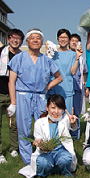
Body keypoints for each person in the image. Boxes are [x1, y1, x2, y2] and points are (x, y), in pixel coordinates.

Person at [7, 28, 63, 165]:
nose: (35, 40)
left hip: (40, 97)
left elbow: (59, 77)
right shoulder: (18, 58)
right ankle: (28, 161)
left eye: (38, 38)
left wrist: (47, 87)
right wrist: (13, 103)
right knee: (23, 128)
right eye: (32, 38)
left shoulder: (46, 60)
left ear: (42, 42)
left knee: (44, 126)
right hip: (23, 96)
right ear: (27, 41)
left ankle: (45, 155)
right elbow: (11, 82)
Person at [19, 94, 78, 177]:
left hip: (60, 151)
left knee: (65, 159)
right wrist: (40, 143)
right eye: (53, 108)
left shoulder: (64, 119)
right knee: (43, 162)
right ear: (47, 107)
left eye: (59, 108)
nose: (56, 112)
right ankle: (43, 174)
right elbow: (38, 138)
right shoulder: (39, 122)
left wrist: (73, 122)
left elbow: (72, 126)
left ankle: (65, 172)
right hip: (46, 152)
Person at [0, 29, 24, 163]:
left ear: (21, 42)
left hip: (14, 94)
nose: (15, 40)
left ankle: (14, 148)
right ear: (8, 39)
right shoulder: (1, 53)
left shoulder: (22, 56)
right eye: (13, 38)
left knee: (14, 124)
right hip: (0, 91)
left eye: (18, 38)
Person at [47, 29, 81, 114]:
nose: (63, 39)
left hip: (67, 89)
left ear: (69, 40)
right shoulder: (52, 53)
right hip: (53, 88)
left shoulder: (73, 54)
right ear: (57, 39)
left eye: (65, 37)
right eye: (61, 37)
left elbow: (73, 72)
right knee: (53, 115)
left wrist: (77, 58)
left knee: (66, 115)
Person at [69, 33, 88, 140]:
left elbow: (84, 73)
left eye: (76, 41)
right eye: (72, 40)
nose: (74, 42)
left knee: (76, 111)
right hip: (65, 87)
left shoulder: (82, 59)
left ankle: (75, 134)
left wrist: (85, 86)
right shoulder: (64, 55)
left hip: (77, 87)